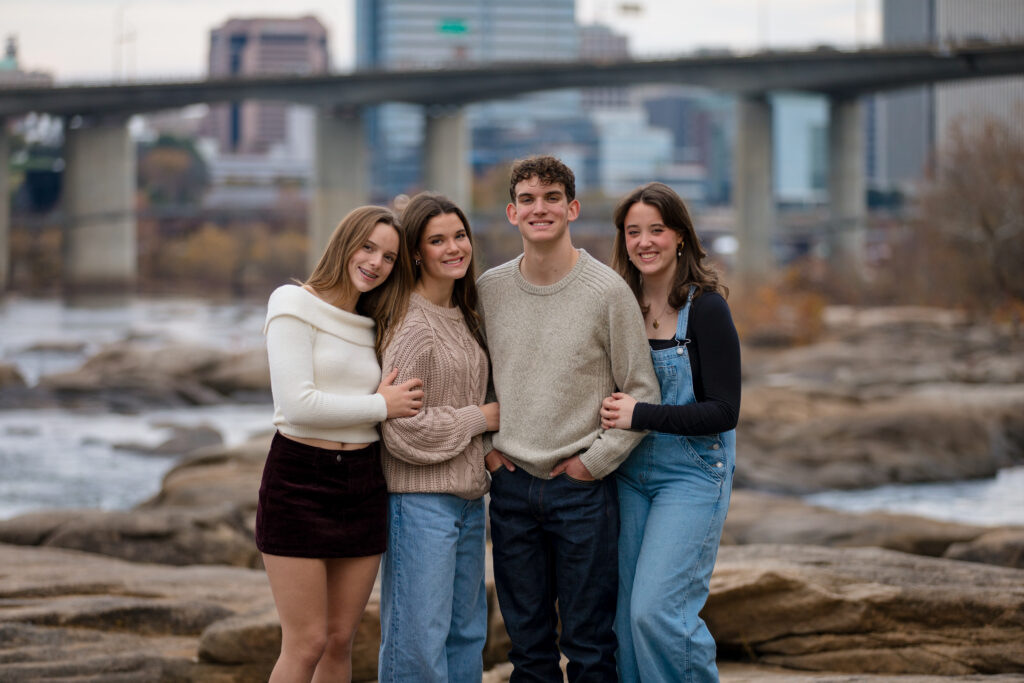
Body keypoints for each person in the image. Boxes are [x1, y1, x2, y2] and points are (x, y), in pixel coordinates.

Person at [477, 155, 660, 681]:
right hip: (511, 489)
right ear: (512, 212)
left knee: (590, 647)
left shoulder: (607, 291)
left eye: (552, 198)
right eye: (528, 200)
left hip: (582, 493)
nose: (540, 209)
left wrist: (592, 464)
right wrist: (489, 453)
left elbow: (641, 391)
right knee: (528, 651)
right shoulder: (489, 289)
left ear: (572, 208)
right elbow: (477, 382)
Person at [256, 205, 424, 683]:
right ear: (344, 243)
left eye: (389, 257)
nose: (375, 263)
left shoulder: (375, 323)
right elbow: (298, 405)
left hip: (363, 483)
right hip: (299, 480)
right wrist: (380, 406)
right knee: (306, 642)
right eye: (367, 247)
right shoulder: (292, 302)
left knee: (338, 642)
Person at [600, 182, 740, 683]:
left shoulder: (707, 309)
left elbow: (723, 411)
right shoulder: (620, 306)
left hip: (692, 475)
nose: (644, 242)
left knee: (657, 613)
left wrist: (642, 414)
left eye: (656, 230)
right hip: (629, 474)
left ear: (680, 236)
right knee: (624, 621)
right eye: (633, 231)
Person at [376, 192, 499, 682]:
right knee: (418, 642)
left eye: (460, 236)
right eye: (437, 240)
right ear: (415, 253)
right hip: (419, 504)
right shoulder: (412, 325)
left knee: (466, 635)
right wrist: (478, 420)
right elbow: (400, 428)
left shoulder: (464, 315)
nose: (454, 248)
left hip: (468, 501)